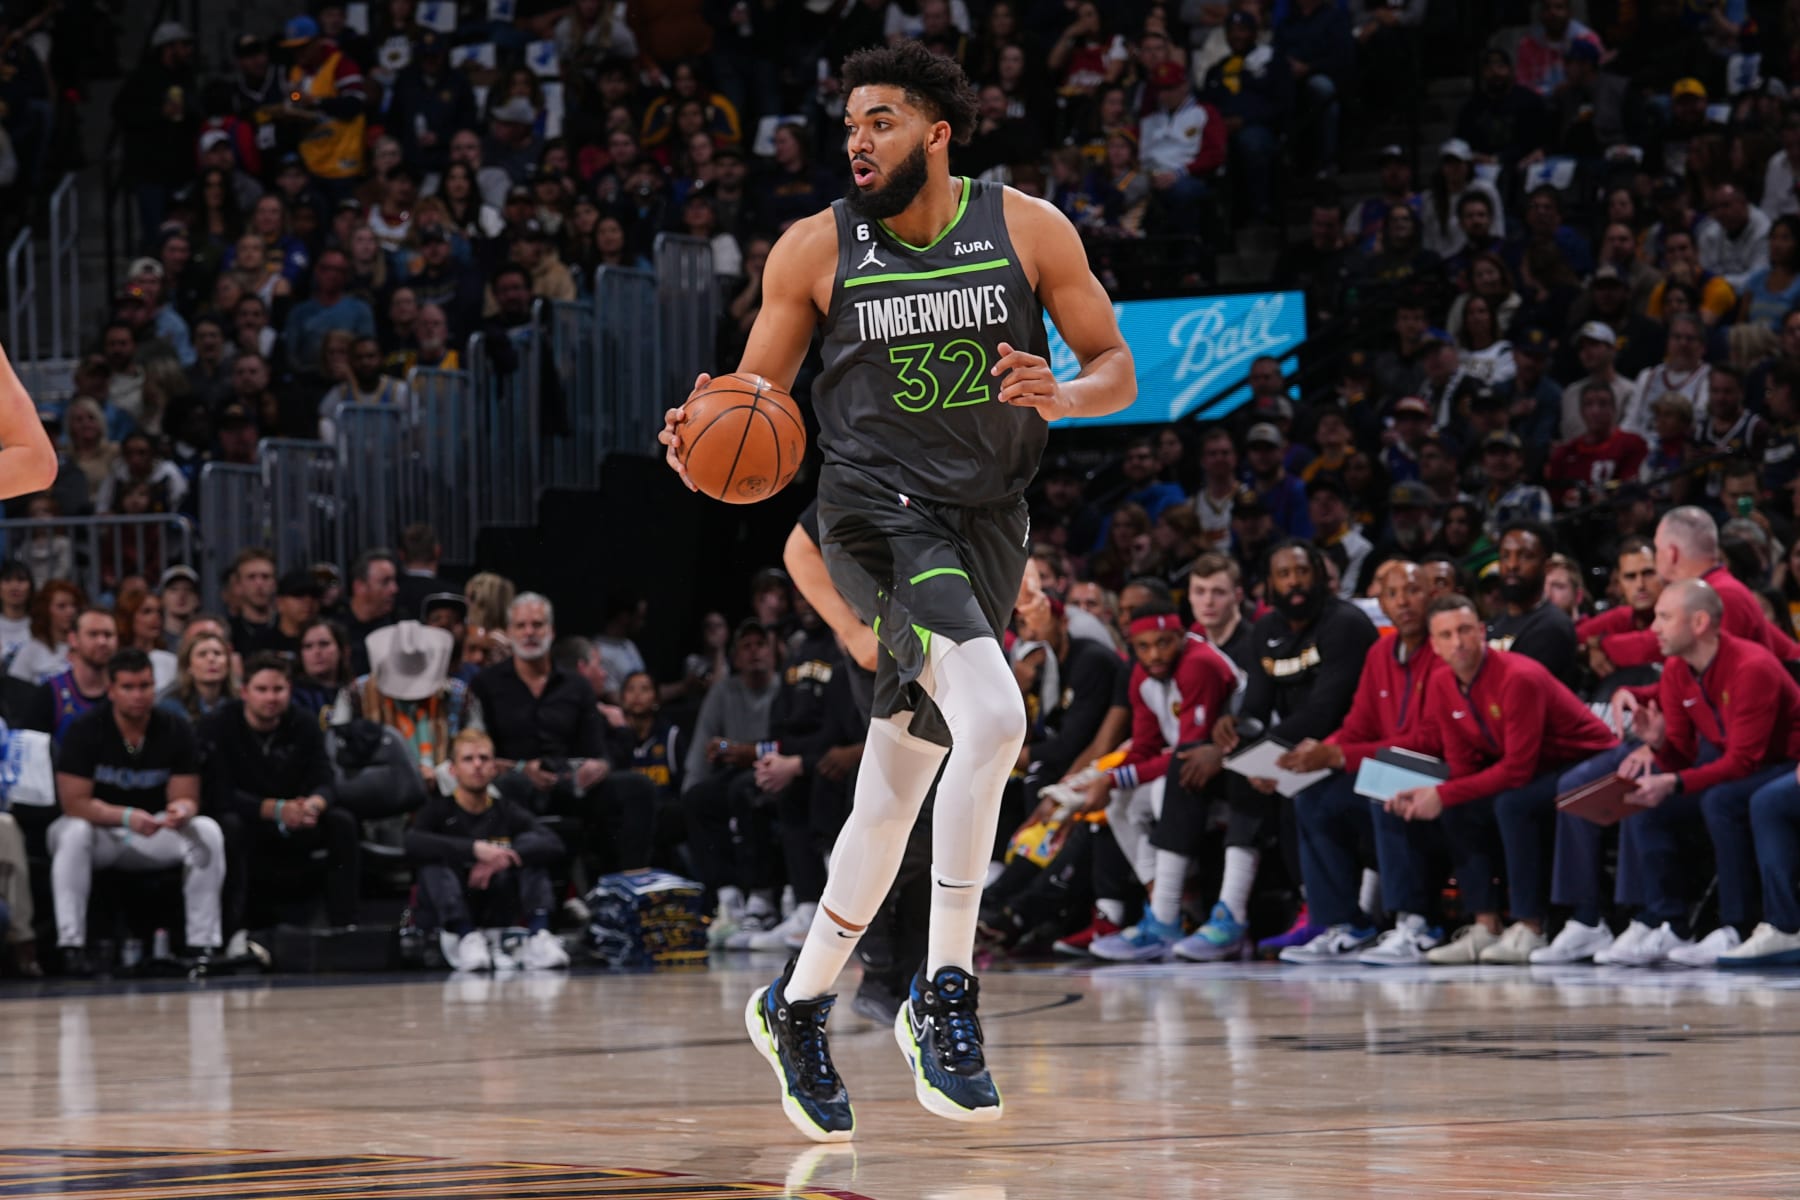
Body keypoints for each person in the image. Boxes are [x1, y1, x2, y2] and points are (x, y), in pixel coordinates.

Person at [659, 42, 1134, 1140]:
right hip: (874, 513)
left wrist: (1065, 395)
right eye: (848, 123)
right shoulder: (816, 248)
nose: (856, 140)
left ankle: (797, 1003)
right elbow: (750, 398)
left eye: (879, 119)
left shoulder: (1028, 227)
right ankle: (945, 990)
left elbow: (1118, 366)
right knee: (997, 715)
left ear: (937, 133)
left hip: (989, 522)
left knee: (892, 792)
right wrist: (696, 437)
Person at [1164, 541, 1376, 960]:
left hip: (1346, 746)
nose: (1294, 582)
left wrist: (1250, 757)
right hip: (1292, 752)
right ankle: (1173, 914)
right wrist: (1235, 730)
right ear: (1269, 584)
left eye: (1302, 572)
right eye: (1284, 574)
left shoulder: (1345, 624)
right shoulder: (1267, 630)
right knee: (1189, 764)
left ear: (1320, 575)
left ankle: (1319, 912)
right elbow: (1257, 709)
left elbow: (1324, 712)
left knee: (1290, 791)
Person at [1387, 596, 1616, 965]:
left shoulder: (1517, 677)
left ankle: (1530, 926)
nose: (1457, 642)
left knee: (1513, 804)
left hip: (1588, 762)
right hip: (1540, 766)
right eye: (1446, 635)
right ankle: (1485, 925)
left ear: (1482, 633)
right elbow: (1462, 768)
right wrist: (1434, 795)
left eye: (1464, 630)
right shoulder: (1443, 682)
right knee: (1459, 808)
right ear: (1434, 644)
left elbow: (1516, 771)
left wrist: (1443, 794)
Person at [1598, 581, 1800, 966]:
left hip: (1785, 764)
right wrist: (1659, 746)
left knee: (1720, 800)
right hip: (1746, 768)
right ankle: (1669, 921)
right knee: (1646, 797)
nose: (1654, 628)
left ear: (1700, 622)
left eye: (1665, 617)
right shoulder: (1678, 669)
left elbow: (1744, 762)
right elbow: (1683, 756)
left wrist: (1672, 781)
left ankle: (1737, 926)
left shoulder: (1751, 666)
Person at [1276, 561, 1450, 963]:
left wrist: (1339, 755)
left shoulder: (1443, 649)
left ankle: (1416, 922)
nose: (1403, 602)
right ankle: (1343, 923)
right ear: (1382, 604)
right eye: (1392, 595)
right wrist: (1313, 757)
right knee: (1313, 795)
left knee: (1385, 789)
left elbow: (1430, 740)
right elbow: (1357, 726)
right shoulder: (1380, 653)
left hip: (1440, 771)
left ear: (1432, 596)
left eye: (1412, 591)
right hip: (1389, 765)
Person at [46, 648, 223, 976]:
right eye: (128, 687)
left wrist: (181, 811)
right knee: (73, 832)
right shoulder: (85, 729)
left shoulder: (174, 727)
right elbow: (74, 803)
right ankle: (71, 945)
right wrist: (126, 816)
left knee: (207, 830)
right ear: (111, 690)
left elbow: (187, 795)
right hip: (102, 834)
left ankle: (203, 945)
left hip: (153, 830)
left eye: (145, 686)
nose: (138, 695)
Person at [202, 653, 360, 935]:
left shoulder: (304, 723)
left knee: (341, 822)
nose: (271, 698)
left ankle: (344, 928)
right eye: (262, 690)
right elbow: (216, 792)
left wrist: (313, 805)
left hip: (298, 820)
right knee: (227, 826)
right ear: (245, 692)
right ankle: (232, 934)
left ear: (290, 691)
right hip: (248, 819)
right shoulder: (219, 725)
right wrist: (276, 810)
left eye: (279, 689)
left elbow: (325, 779)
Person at [405, 728, 570, 972]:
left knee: (530, 853)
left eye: (484, 758)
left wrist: (504, 858)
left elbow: (553, 842)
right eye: (468, 759)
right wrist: (474, 850)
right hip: (455, 901)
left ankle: (539, 935)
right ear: (453, 769)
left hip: (497, 900)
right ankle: (465, 936)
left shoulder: (506, 809)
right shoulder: (438, 811)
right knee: (433, 864)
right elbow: (412, 843)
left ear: (494, 767)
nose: (477, 765)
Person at [1579, 538, 1665, 681]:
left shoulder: (1679, 611)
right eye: (1630, 577)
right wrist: (1589, 650)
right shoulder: (1622, 615)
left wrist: (1599, 643)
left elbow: (1648, 647)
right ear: (1619, 583)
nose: (1640, 585)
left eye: (1648, 573)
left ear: (1663, 573)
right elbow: (1571, 638)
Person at [44, 608, 120, 745]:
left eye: (108, 635)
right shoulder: (50, 692)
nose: (102, 641)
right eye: (93, 634)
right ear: (73, 639)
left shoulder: (128, 690)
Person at [9, 578, 80, 685]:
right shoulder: (30, 651)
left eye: (73, 605)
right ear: (45, 610)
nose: (70, 611)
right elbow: (14, 691)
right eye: (62, 606)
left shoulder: (84, 647)